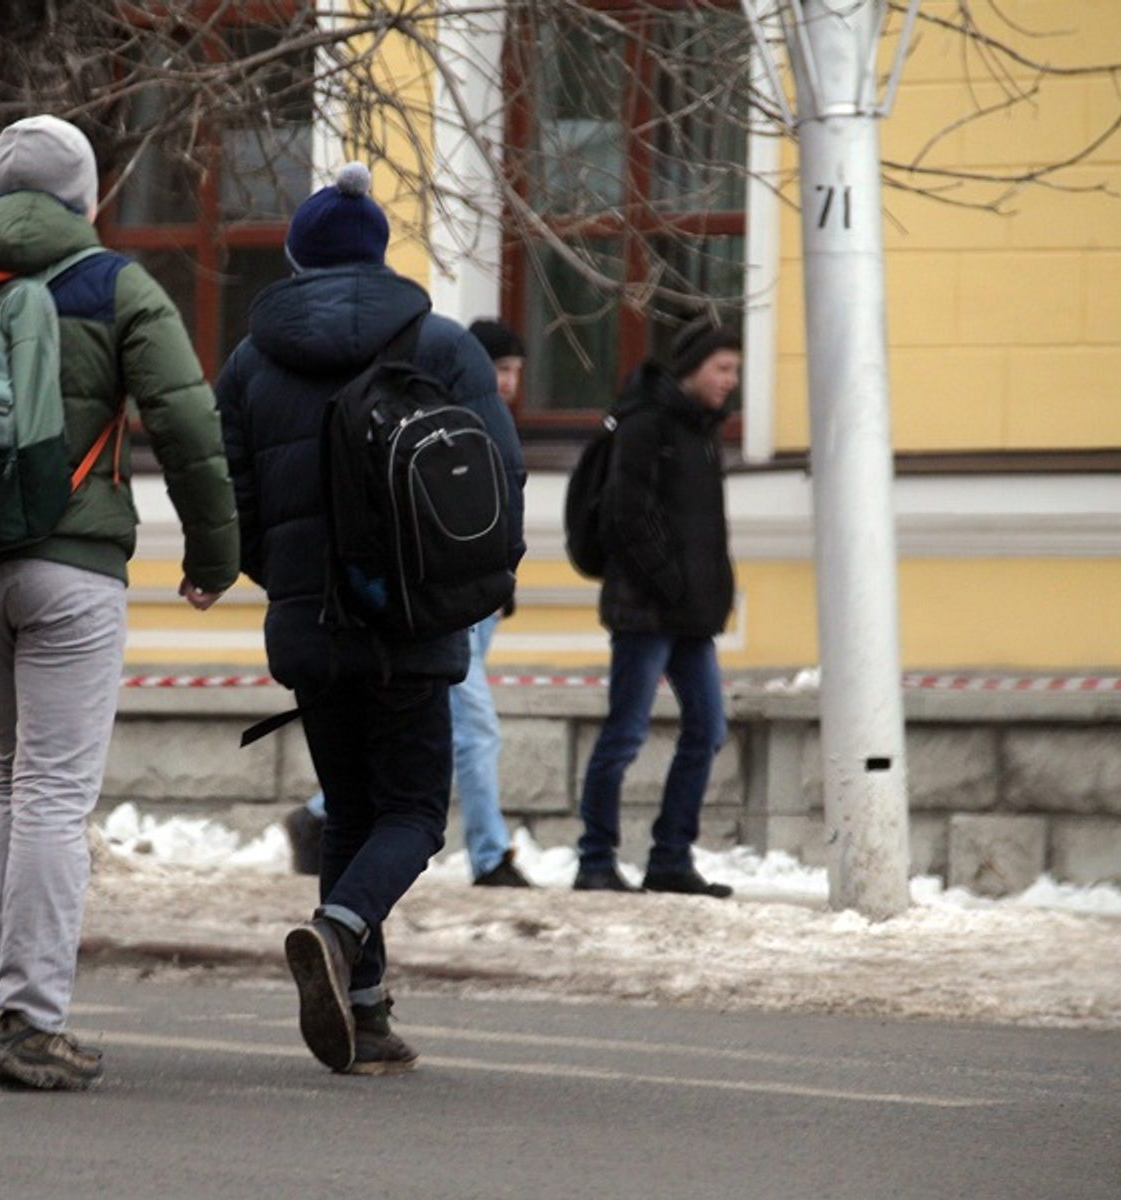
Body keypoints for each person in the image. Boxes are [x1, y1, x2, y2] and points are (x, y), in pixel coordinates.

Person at [0, 115, 240, 1091]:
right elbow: (186, 421)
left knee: (8, 778)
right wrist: (213, 553)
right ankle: (31, 1019)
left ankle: (1, 1001)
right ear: (87, 194)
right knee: (56, 794)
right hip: (69, 566)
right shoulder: (111, 282)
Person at [217, 162, 526, 1074]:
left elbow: (236, 505)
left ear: (297, 257)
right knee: (415, 814)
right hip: (413, 617)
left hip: (308, 620)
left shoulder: (248, 362)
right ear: (379, 253)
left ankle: (367, 1012)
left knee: (351, 808)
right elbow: (498, 479)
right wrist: (465, 583)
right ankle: (339, 929)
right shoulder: (442, 348)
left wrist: (288, 577)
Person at [283, 317, 532, 890]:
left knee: (441, 731)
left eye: (517, 371)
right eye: (501, 369)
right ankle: (490, 855)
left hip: (469, 599)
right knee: (474, 729)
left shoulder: (462, 416)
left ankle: (317, 816)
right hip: (445, 601)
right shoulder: (445, 415)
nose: (510, 383)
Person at [573, 318, 740, 898]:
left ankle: (670, 857)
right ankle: (595, 860)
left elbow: (703, 531)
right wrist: (670, 583)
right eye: (723, 369)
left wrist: (709, 595)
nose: (730, 381)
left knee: (708, 729)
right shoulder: (647, 424)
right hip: (644, 611)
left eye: (736, 371)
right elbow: (626, 515)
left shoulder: (703, 431)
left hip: (689, 615)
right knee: (625, 733)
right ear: (692, 368)